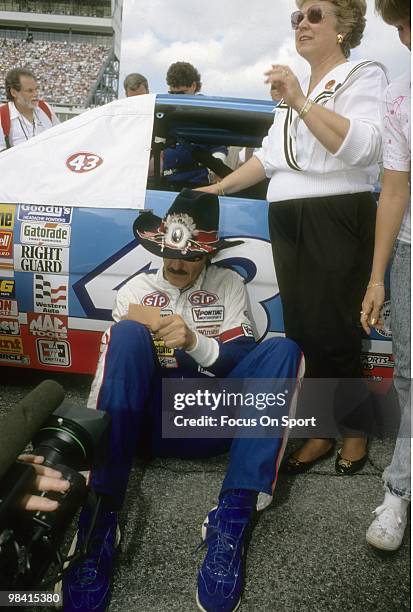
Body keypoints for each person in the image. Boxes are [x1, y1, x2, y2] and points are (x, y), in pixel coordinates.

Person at [61, 189, 304, 612]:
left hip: (212, 423)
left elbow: (241, 359)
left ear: (208, 254)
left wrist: (194, 341)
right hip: (148, 428)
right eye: (168, 253)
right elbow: (109, 379)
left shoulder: (229, 284)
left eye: (188, 257)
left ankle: (233, 515)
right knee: (126, 334)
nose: (175, 264)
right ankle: (100, 514)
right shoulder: (135, 290)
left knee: (284, 350)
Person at [199, 0, 389, 475]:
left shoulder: (363, 73)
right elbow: (267, 159)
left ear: (343, 26)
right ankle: (324, 427)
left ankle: (354, 429)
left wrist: (301, 102)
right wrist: (218, 187)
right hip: (287, 216)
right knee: (304, 328)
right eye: (297, 17)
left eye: (314, 15)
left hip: (335, 212)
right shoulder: (295, 93)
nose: (302, 23)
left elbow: (363, 145)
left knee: (335, 330)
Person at [361, 0, 410, 551]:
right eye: (396, 25)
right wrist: (377, 277)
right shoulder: (400, 93)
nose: (405, 36)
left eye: (410, 19)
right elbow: (395, 189)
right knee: (410, 378)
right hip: (411, 250)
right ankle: (397, 493)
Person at [163, 61, 228, 189]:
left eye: (182, 93)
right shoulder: (165, 111)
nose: (177, 98)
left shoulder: (206, 111)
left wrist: (217, 169)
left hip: (197, 184)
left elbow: (219, 147)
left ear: (193, 86)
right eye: (173, 94)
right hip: (166, 184)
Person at [0, 67, 59, 151]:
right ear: (13, 92)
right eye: (29, 91)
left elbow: (60, 136)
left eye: (36, 89)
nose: (35, 94)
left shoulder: (45, 108)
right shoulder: (2, 116)